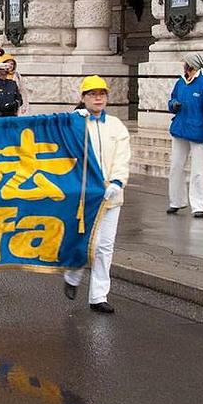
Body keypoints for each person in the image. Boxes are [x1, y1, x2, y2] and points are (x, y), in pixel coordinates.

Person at [63, 75, 131, 314]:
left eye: (101, 94)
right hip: (83, 196)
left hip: (110, 195)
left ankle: (99, 296)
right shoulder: (75, 123)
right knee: (82, 243)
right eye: (92, 94)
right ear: (83, 99)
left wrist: (117, 181)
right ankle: (72, 275)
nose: (98, 98)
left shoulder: (116, 125)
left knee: (104, 246)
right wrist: (73, 121)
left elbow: (123, 157)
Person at [167, 52, 203, 218]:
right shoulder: (180, 83)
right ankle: (176, 201)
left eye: (186, 64)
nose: (184, 66)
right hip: (180, 131)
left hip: (198, 133)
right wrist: (173, 105)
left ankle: (198, 205)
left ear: (192, 66)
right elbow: (172, 100)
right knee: (176, 168)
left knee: (197, 171)